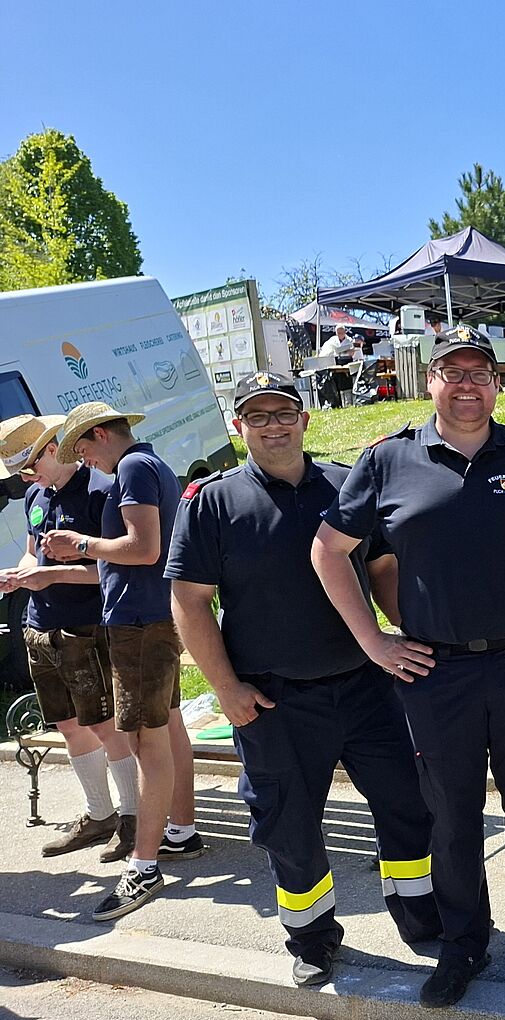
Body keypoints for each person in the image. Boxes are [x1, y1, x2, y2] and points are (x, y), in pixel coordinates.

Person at [312, 326, 505, 1008]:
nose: (467, 384)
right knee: (452, 817)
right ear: (430, 381)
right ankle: (464, 942)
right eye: (453, 372)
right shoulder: (386, 459)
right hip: (435, 673)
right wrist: (373, 641)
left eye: (479, 373)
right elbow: (328, 551)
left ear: (496, 384)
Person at [166, 372, 442, 988]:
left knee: (407, 803)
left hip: (368, 688)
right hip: (273, 699)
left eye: (284, 413)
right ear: (239, 426)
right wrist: (227, 690)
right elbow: (189, 602)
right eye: (258, 416)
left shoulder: (348, 484)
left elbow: (383, 567)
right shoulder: (211, 502)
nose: (274, 426)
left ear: (305, 419)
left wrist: (410, 634)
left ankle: (422, 917)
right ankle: (312, 938)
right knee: (289, 826)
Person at [44, 403, 202, 922]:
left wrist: (81, 544)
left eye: (82, 448)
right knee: (164, 729)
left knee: (144, 742)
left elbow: (144, 548)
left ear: (101, 433)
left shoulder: (133, 466)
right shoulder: (147, 464)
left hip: (140, 622)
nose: (83, 459)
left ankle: (145, 865)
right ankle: (180, 832)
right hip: (149, 617)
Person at [0, 415, 139, 862]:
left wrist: (51, 575)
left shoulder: (101, 490)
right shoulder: (36, 495)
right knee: (68, 725)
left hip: (86, 627)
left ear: (52, 449)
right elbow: (32, 551)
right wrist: (20, 574)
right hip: (41, 625)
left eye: (28, 467)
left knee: (104, 725)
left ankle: (132, 819)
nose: (25, 479)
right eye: (17, 472)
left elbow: (113, 566)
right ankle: (99, 815)